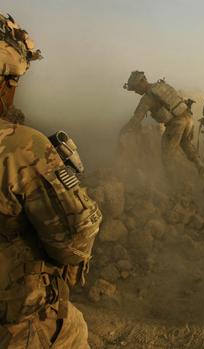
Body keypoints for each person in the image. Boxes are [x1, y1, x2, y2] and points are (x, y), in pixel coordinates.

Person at [0, 13, 102, 348]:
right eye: (15, 82)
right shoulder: (22, 147)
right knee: (74, 329)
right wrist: (70, 182)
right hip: (19, 329)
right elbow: (74, 243)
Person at [121, 71, 204, 187]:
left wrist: (125, 129)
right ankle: (200, 165)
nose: (136, 92)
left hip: (175, 124)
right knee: (186, 144)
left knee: (167, 157)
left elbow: (137, 119)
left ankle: (174, 187)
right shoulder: (162, 85)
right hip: (188, 118)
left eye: (135, 88)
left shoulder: (148, 97)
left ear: (141, 82)